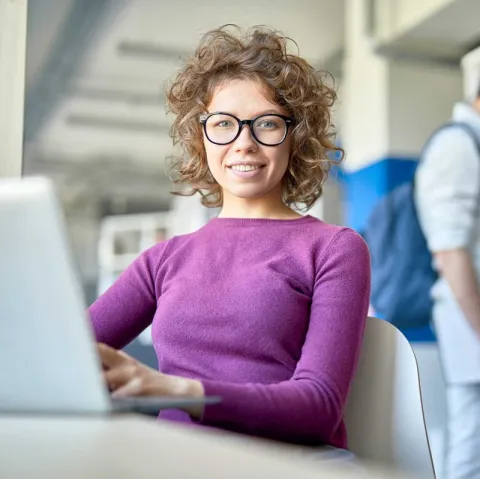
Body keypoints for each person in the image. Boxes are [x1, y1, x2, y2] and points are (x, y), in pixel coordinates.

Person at [89, 25, 371, 450]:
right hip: (174, 460)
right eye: (224, 124)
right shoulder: (164, 259)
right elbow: (66, 352)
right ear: (201, 139)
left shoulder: (334, 249)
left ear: (295, 139)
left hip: (284, 465)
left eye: (267, 124)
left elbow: (319, 408)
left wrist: (176, 390)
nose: (244, 143)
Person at [415, 80, 480, 479]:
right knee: (471, 440)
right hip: (468, 317)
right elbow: (450, 250)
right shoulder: (458, 146)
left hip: (469, 316)